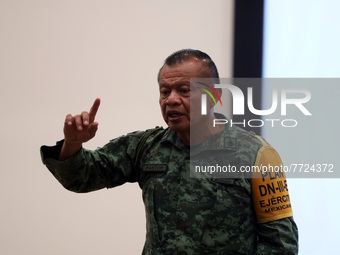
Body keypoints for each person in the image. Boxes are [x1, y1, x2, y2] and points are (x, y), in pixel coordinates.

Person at [41, 49, 298, 254]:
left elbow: (280, 243)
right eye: (165, 91)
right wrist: (73, 143)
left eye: (184, 90)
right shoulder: (145, 146)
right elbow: (81, 177)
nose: (171, 100)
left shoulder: (257, 154)